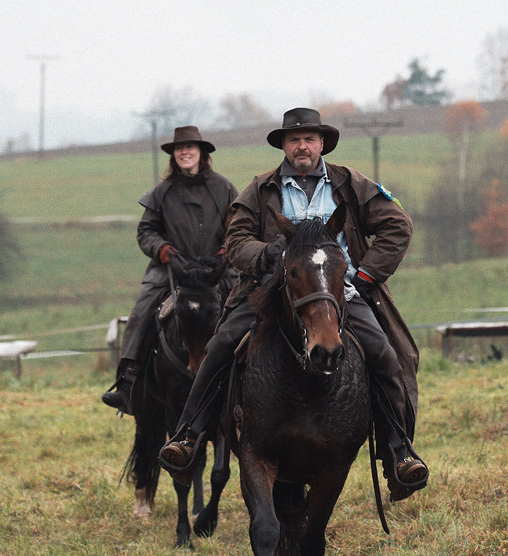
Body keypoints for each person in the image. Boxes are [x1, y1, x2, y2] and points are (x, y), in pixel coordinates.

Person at [159, 107, 428, 499]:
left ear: (321, 144)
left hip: (340, 294)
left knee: (388, 355)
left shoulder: (351, 184)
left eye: (309, 139)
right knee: (220, 345)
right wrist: (266, 256)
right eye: (294, 139)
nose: (302, 146)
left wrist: (366, 276)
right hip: (271, 293)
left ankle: (399, 453)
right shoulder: (261, 188)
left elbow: (397, 225)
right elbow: (236, 241)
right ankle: (189, 437)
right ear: (284, 145)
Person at [101, 126, 238, 414]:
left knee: (251, 307)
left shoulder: (225, 188)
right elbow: (146, 231)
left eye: (190, 147)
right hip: (171, 269)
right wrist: (162, 250)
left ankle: (255, 380)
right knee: (140, 312)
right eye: (179, 149)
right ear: (173, 156)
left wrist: (227, 250)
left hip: (219, 268)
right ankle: (128, 383)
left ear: (202, 153)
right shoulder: (161, 192)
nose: (184, 152)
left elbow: (238, 227)